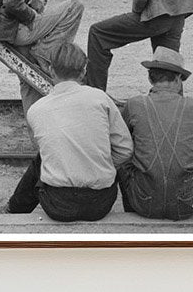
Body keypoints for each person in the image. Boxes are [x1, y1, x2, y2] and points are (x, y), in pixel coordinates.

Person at [7, 43, 132, 222]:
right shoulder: (100, 99)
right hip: (100, 204)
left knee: (41, 159)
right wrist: (100, 163)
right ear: (83, 72)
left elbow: (49, 153)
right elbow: (126, 149)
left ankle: (15, 209)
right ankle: (132, 211)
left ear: (51, 70)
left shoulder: (36, 110)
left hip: (58, 204)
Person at [117, 47, 193, 220]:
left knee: (125, 148)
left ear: (149, 77)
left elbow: (118, 142)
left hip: (143, 203)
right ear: (178, 80)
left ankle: (130, 207)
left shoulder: (134, 104)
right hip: (186, 205)